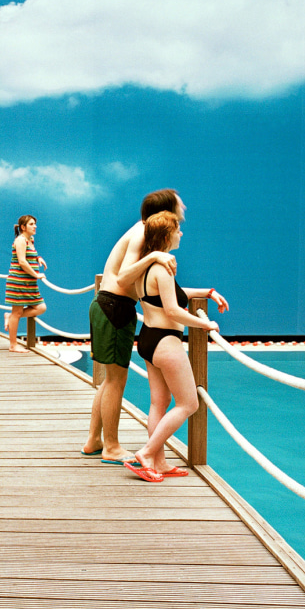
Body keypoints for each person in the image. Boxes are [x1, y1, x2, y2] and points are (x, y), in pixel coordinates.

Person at [80, 189, 189, 463]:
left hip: (110, 305)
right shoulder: (142, 233)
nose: (183, 208)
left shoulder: (142, 230)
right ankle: (111, 446)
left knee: (110, 379)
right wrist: (154, 257)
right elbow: (123, 277)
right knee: (116, 380)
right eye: (178, 204)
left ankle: (94, 440)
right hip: (114, 306)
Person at [126, 210, 229, 482]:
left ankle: (158, 463)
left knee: (159, 402)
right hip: (165, 341)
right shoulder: (162, 268)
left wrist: (207, 292)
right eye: (177, 230)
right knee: (188, 403)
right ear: (166, 236)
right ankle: (147, 453)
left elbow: (173, 294)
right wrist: (205, 324)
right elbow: (172, 310)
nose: (181, 233)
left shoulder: (146, 266)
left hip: (148, 338)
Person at [4, 215, 47, 352]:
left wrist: (38, 258)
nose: (35, 226)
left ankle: (9, 316)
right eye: (31, 224)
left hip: (29, 284)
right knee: (17, 312)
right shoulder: (20, 240)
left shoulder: (30, 239)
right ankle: (13, 345)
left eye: (35, 224)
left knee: (41, 307)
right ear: (23, 227)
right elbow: (22, 261)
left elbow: (30, 254)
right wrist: (36, 274)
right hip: (19, 282)